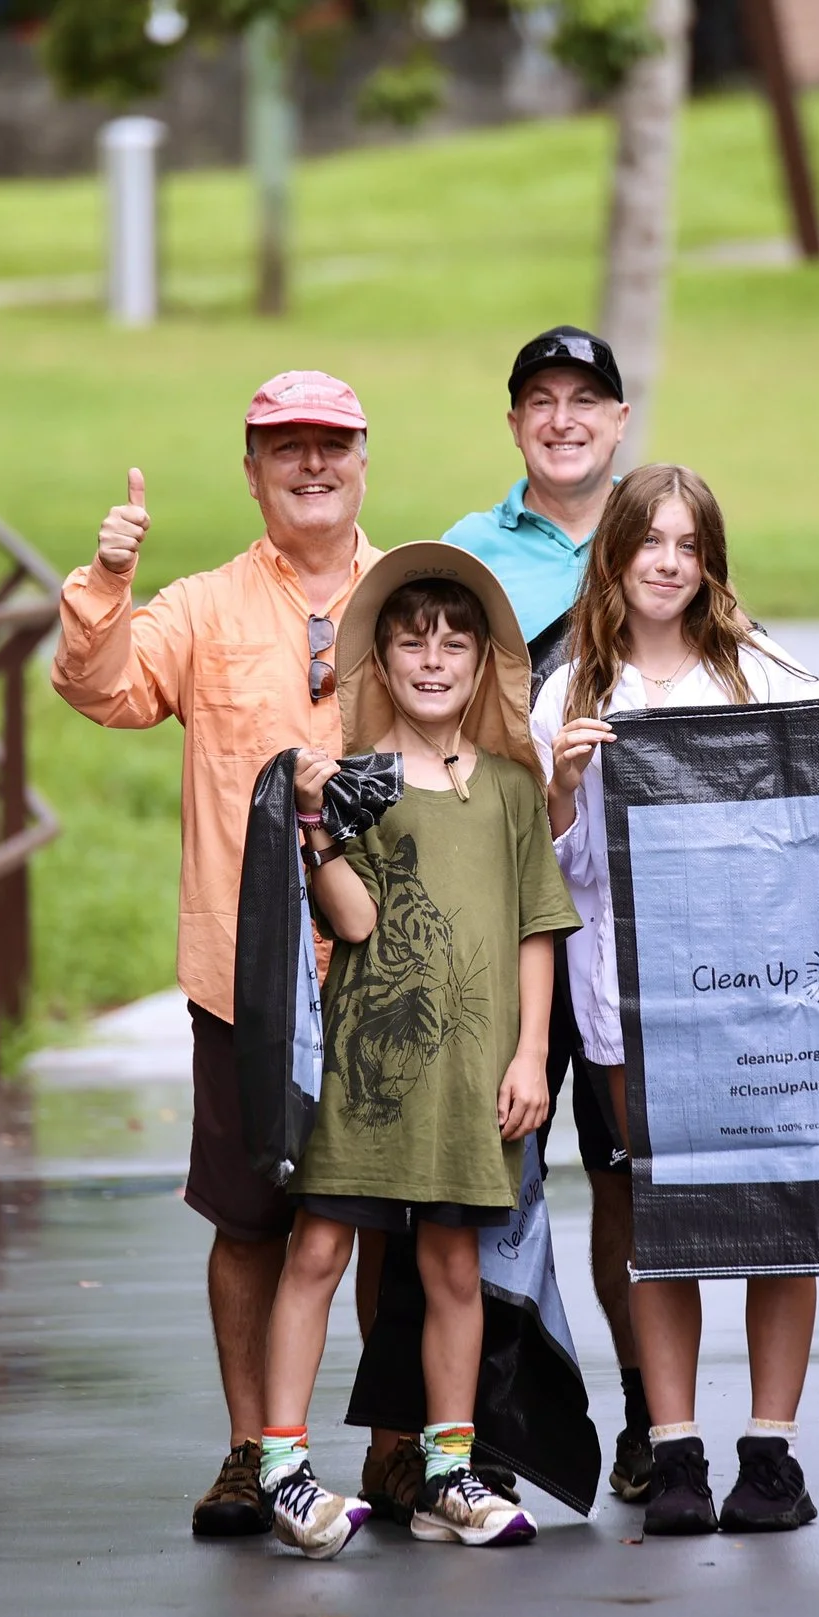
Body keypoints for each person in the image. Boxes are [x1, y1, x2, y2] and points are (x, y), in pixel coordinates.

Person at [531, 464, 819, 1536]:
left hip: (769, 1004)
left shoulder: (761, 672)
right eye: (649, 541)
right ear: (614, 554)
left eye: (688, 545)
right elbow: (553, 870)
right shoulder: (570, 694)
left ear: (710, 560)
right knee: (662, 1217)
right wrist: (561, 784)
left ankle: (769, 1452)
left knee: (783, 1208)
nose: (668, 563)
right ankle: (676, 1450)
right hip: (634, 1009)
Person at [49, 370, 383, 1539]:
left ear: (363, 461)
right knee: (250, 1221)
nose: (311, 465)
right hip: (244, 972)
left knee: (392, 1224)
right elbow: (100, 687)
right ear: (251, 471)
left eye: (331, 444)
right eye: (286, 447)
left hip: (390, 970)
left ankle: (399, 1445)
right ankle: (252, 1447)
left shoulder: (411, 597)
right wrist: (108, 581)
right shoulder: (201, 607)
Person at [257, 548, 582, 1557]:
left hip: (474, 1077)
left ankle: (447, 1471)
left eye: (453, 643)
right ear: (383, 661)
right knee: (318, 1250)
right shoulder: (355, 782)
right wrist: (315, 826)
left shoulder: (514, 788)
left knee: (453, 1267)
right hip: (367, 1074)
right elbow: (354, 921)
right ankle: (281, 1464)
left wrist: (530, 1055)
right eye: (411, 642)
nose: (433, 660)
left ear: (483, 662)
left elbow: (537, 927)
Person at [429, 324, 657, 1503]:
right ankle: (496, 1429)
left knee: (623, 1175)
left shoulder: (661, 536)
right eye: (540, 401)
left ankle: (647, 1415)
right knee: (491, 1164)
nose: (563, 420)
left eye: (586, 401)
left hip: (624, 916)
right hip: (494, 908)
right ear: (515, 421)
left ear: (619, 419)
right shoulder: (465, 552)